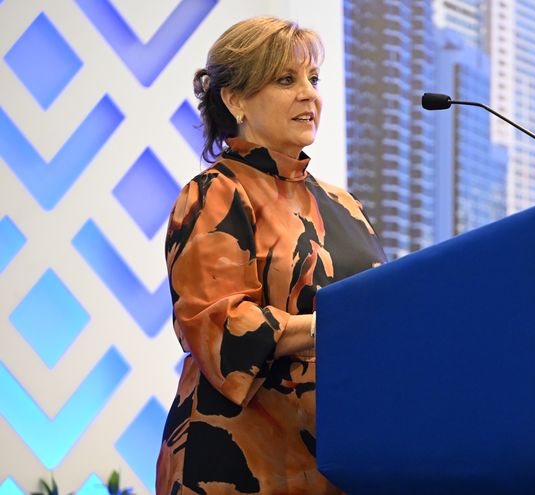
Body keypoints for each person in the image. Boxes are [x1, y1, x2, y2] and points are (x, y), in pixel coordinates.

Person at [156, 16, 386, 494]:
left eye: (313, 79)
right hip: (241, 463)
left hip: (341, 461)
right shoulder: (214, 193)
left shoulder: (346, 205)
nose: (309, 95)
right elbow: (219, 326)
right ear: (235, 100)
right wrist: (327, 327)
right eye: (286, 80)